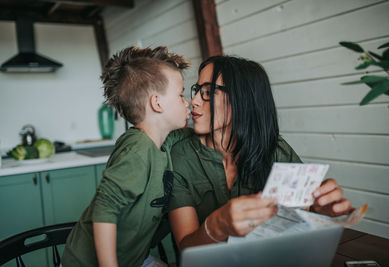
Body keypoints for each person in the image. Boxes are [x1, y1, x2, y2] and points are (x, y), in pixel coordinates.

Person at [168, 55, 353, 251]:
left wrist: (319, 209)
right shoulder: (180, 157)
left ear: (242, 99)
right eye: (197, 90)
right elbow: (185, 248)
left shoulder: (274, 149)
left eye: (208, 91)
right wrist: (215, 226)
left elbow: (304, 214)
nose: (194, 101)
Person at [61, 46, 191, 267]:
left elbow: (193, 133)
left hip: (133, 259)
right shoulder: (138, 149)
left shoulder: (163, 140)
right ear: (157, 103)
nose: (187, 102)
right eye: (180, 94)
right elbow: (105, 206)